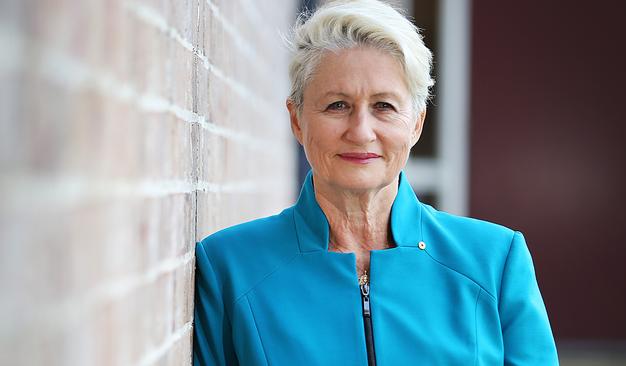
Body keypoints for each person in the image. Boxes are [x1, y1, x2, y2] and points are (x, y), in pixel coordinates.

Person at [193, 0, 558, 364]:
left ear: (416, 123)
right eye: (337, 105)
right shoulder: (230, 266)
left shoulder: (495, 260)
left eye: (384, 106)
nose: (361, 131)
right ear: (298, 120)